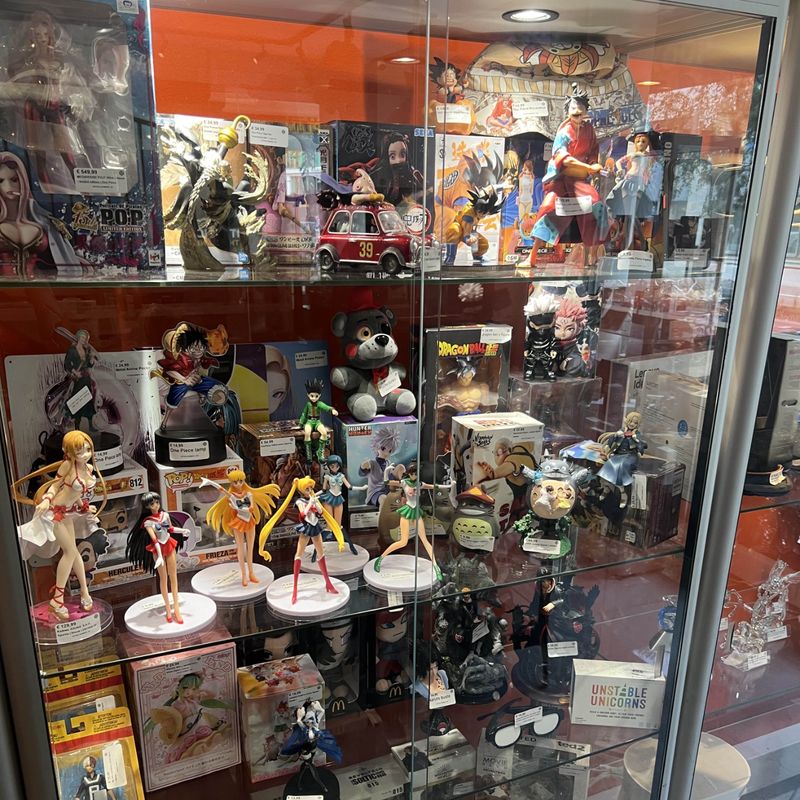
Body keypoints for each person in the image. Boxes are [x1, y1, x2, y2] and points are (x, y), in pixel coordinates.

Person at [14, 430, 108, 620]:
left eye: (88, 450)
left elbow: (76, 493)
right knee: (70, 552)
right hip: (55, 512)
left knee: (73, 551)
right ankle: (57, 600)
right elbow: (56, 486)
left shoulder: (89, 468)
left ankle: (84, 592)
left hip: (69, 513)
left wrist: (83, 507)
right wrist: (47, 500)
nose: (85, 455)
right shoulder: (67, 466)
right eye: (80, 452)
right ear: (69, 452)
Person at [522, 83, 609, 267]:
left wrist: (594, 164)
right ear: (568, 111)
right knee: (548, 207)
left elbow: (593, 151)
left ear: (586, 111)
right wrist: (588, 166)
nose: (577, 112)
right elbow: (564, 159)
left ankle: (593, 256)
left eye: (580, 108)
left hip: (579, 181)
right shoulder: (564, 132)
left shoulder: (589, 130)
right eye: (573, 108)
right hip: (560, 181)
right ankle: (532, 256)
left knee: (597, 205)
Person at [258, 476, 345, 605]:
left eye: (310, 488)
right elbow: (303, 514)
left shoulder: (313, 498)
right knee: (298, 556)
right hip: (306, 528)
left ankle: (328, 583)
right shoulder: (300, 501)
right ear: (301, 490)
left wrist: (316, 503)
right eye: (307, 489)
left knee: (321, 555)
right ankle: (295, 589)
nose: (309, 490)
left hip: (315, 527)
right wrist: (310, 503)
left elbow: (320, 512)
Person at [0, 151, 83, 274]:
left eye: (14, 179)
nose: (8, 186)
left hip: (42, 282)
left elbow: (63, 255)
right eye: (1, 181)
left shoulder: (44, 219)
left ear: (22, 180)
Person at [203, 470, 280, 586]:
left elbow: (251, 506)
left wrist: (243, 508)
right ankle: (244, 575)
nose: (238, 484)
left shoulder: (248, 494)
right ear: (231, 483)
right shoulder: (232, 496)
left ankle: (251, 574)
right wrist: (209, 482)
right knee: (240, 549)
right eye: (235, 482)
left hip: (249, 521)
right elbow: (222, 490)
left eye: (241, 481)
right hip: (238, 522)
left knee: (250, 549)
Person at [126, 493, 189, 623]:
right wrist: (159, 555)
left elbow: (171, 529)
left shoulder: (165, 515)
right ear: (147, 506)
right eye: (152, 504)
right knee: (163, 579)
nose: (156, 505)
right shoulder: (148, 522)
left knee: (174, 577)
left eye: (157, 502)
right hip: (157, 549)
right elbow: (154, 540)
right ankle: (168, 609)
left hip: (169, 545)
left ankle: (176, 609)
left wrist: (183, 531)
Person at [375, 463, 442, 581]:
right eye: (412, 473)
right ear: (409, 474)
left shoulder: (420, 484)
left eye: (416, 474)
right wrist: (387, 471)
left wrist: (448, 485)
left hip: (416, 512)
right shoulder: (404, 482)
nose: (414, 476)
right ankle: (380, 559)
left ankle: (436, 566)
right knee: (403, 542)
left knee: (425, 540)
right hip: (407, 512)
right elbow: (387, 482)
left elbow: (434, 486)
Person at [299, 377, 338, 464]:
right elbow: (304, 414)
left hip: (317, 422)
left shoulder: (319, 404)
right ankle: (309, 455)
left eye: (316, 396)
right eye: (312, 396)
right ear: (308, 395)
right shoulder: (308, 404)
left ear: (319, 395)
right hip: (309, 422)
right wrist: (301, 423)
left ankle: (320, 453)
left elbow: (326, 407)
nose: (314, 398)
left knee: (324, 433)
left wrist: (332, 410)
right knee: (307, 433)